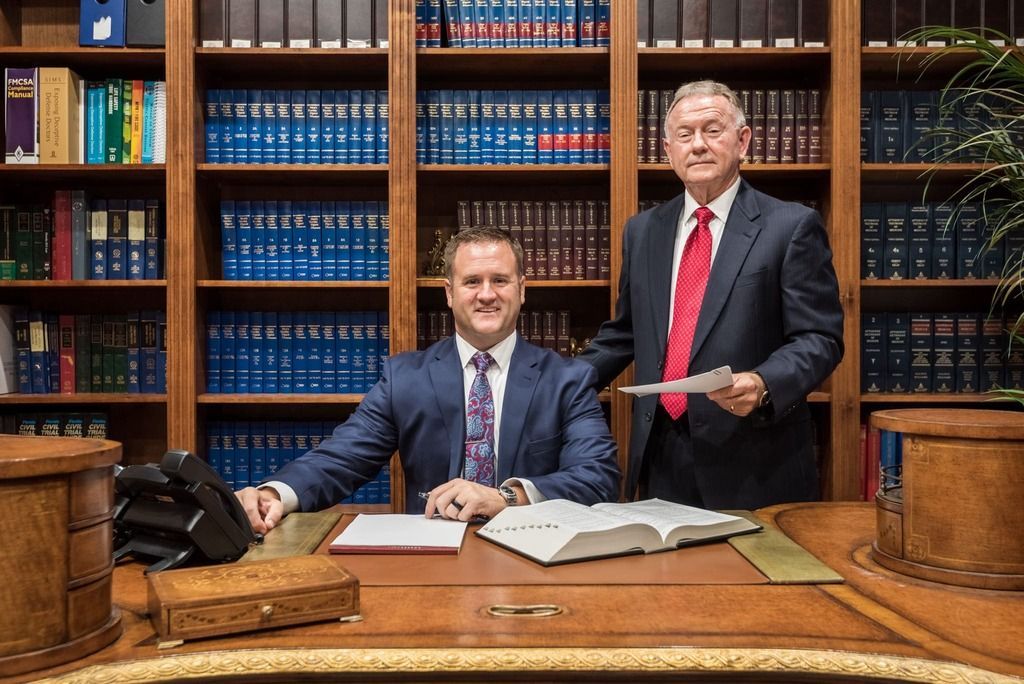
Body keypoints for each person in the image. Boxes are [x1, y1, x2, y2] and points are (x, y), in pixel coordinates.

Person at [237, 227, 620, 534]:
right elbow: (343, 457)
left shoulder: (567, 380)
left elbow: (598, 477)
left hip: (535, 551)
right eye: (472, 282)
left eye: (500, 280)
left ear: (522, 290)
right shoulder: (405, 378)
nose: (487, 294)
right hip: (432, 554)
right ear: (449, 294)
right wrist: (276, 494)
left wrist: (507, 497)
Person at [577, 80, 843, 510]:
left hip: (754, 461)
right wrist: (556, 386)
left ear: (742, 141)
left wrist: (764, 382)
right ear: (668, 151)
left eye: (712, 130)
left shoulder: (791, 227)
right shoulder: (643, 231)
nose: (698, 145)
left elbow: (820, 338)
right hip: (662, 454)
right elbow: (625, 333)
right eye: (684, 135)